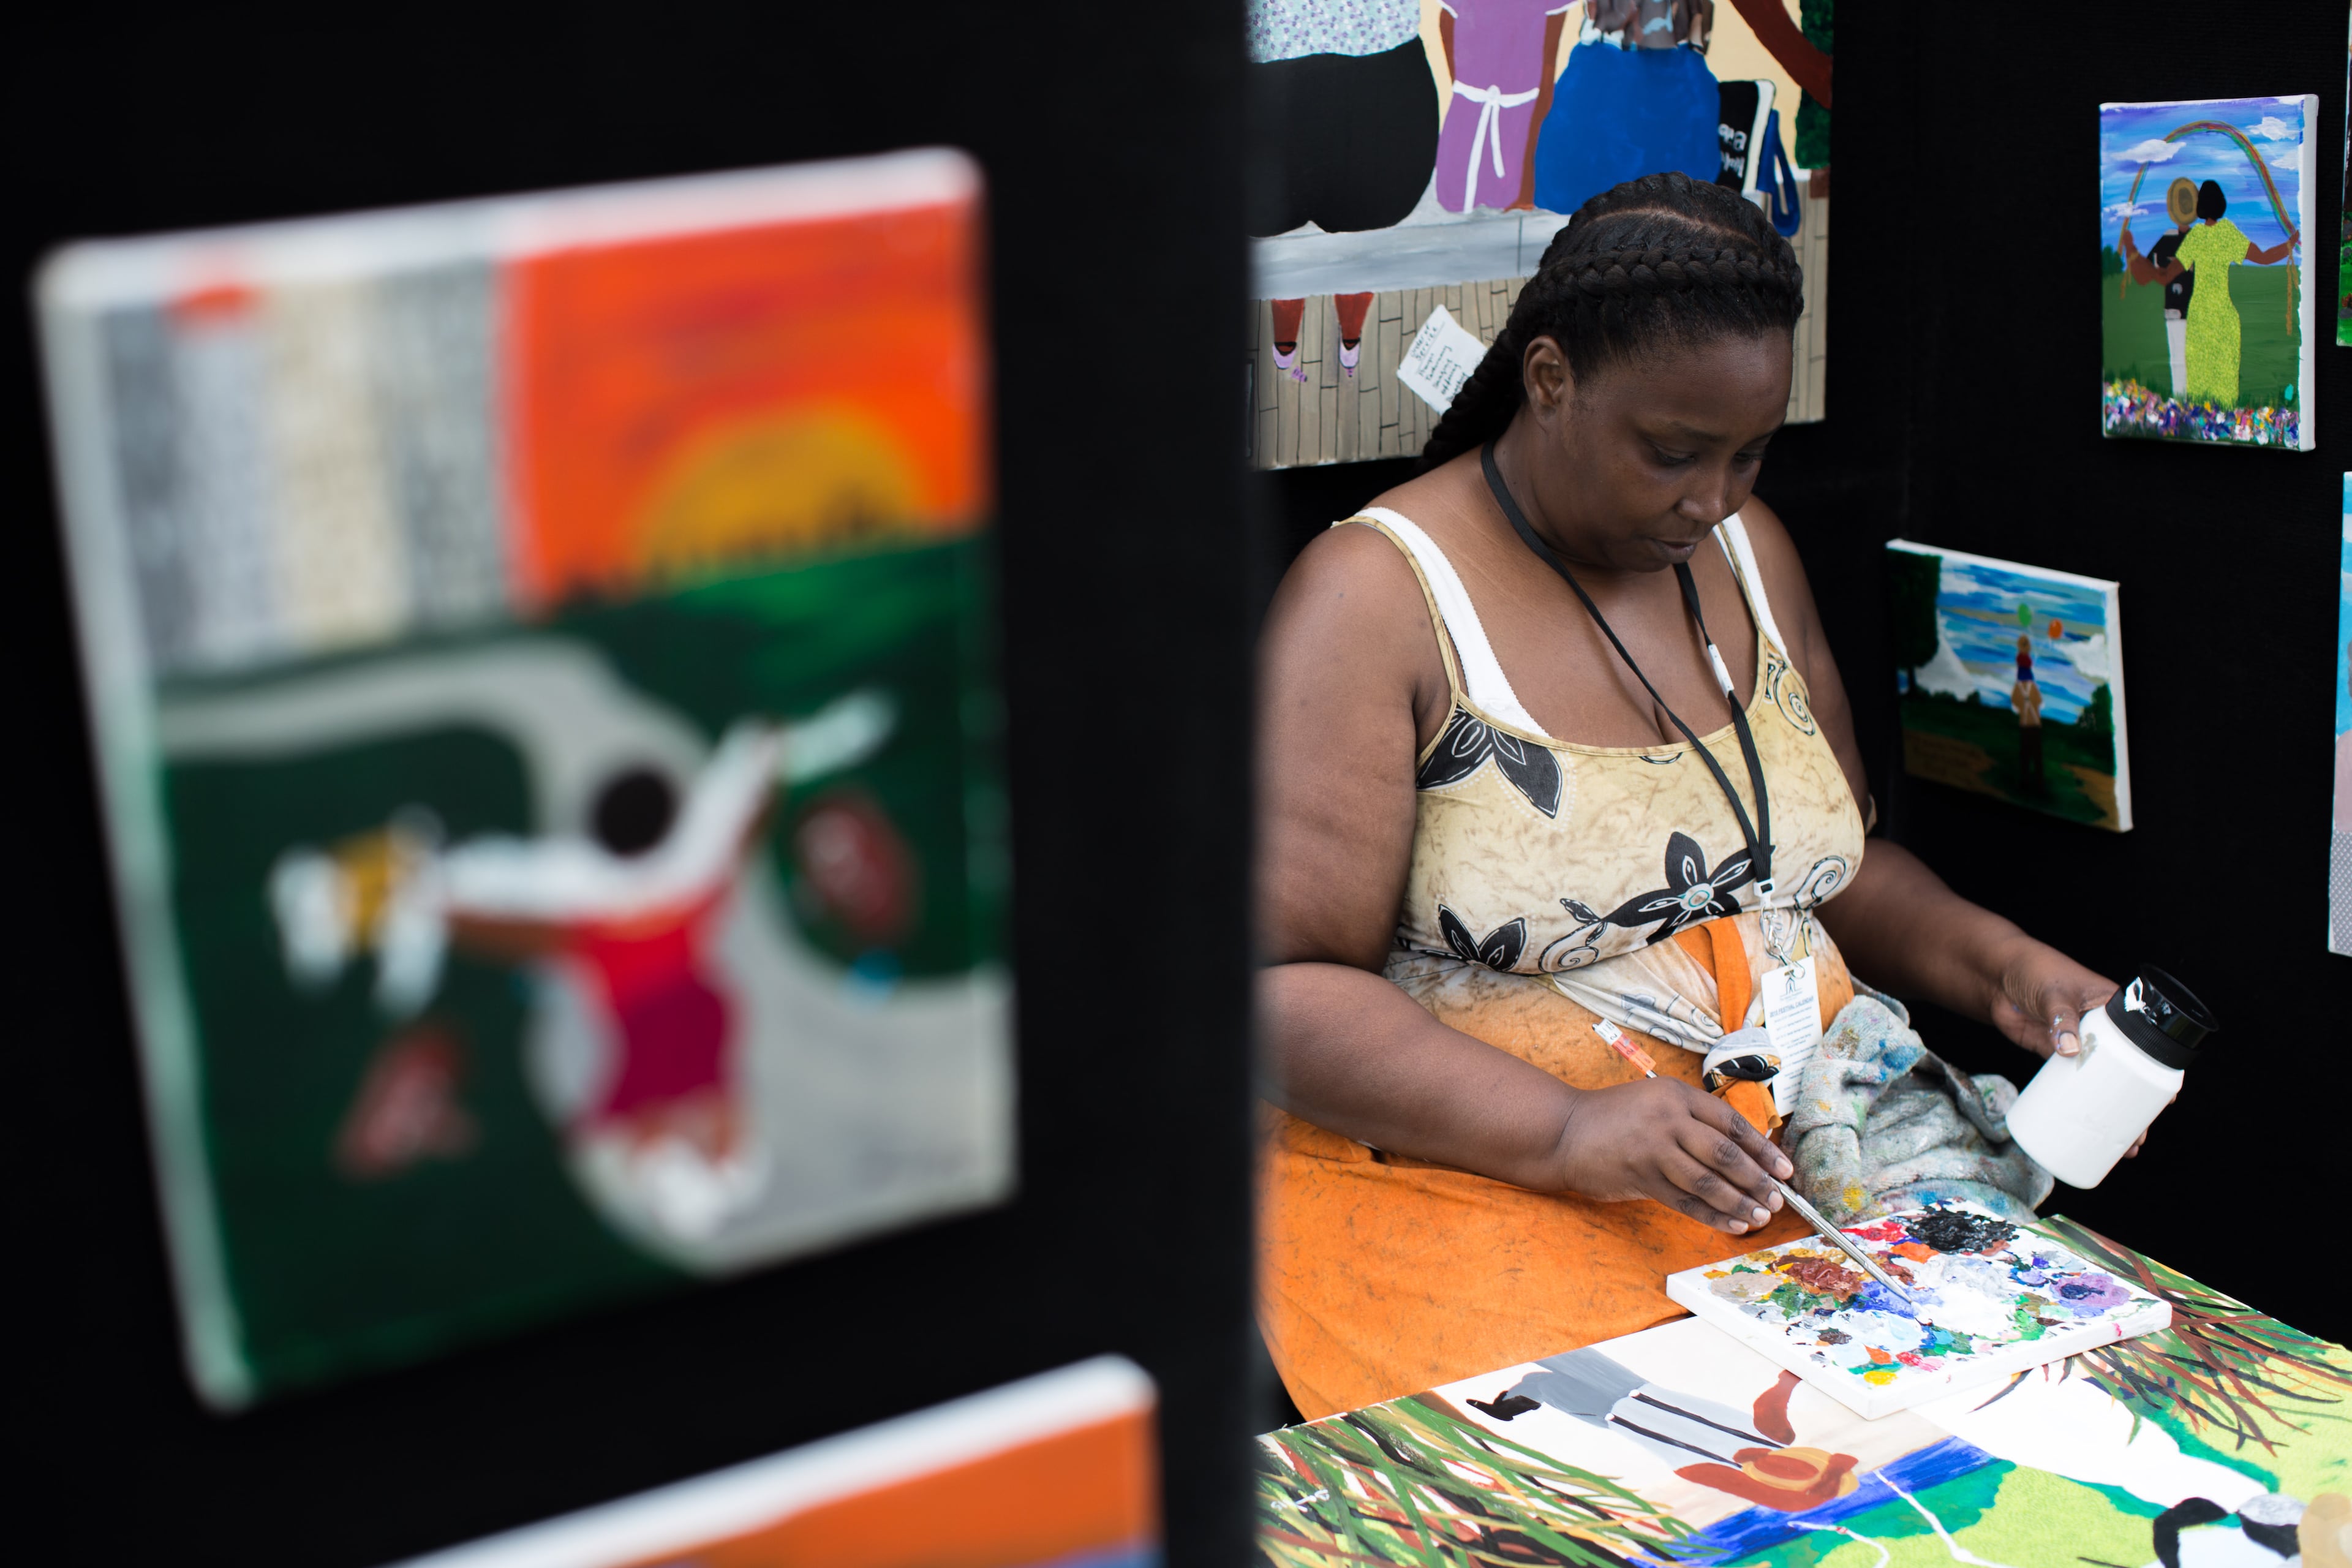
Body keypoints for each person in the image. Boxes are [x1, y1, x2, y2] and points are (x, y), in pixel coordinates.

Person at [1254, 171, 2149, 1420]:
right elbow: (1283, 996)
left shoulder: (1744, 550)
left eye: (1749, 454)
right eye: (1673, 453)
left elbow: (1831, 871)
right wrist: (1568, 1131)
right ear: (1551, 378)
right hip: (1486, 1189)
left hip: (1791, 1161)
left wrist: (2008, 971)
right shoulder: (1373, 599)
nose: (1713, 498)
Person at [2122, 178, 2300, 409]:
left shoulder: (2196, 237)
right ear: (2221, 204)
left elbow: (2167, 276)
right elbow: (2265, 258)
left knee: (2199, 382)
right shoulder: (2228, 233)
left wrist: (2135, 255)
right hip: (2224, 316)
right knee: (2224, 381)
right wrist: (2289, 245)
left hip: (2200, 317)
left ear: (2200, 207)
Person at [2123, 178, 2201, 401]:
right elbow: (2147, 275)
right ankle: (2187, 407)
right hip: (2182, 312)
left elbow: (2151, 276)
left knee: (2181, 362)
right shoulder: (2180, 239)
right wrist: (2132, 251)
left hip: (2187, 312)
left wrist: (2131, 250)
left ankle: (2186, 406)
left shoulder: (2192, 240)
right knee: (2182, 362)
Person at [2011, 637, 2045, 793]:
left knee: (2024, 755)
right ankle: (2039, 783)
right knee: (2037, 756)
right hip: (2036, 725)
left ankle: (2024, 782)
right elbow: (2040, 702)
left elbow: (2015, 706)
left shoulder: (2018, 688)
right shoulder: (2034, 688)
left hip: (2024, 726)